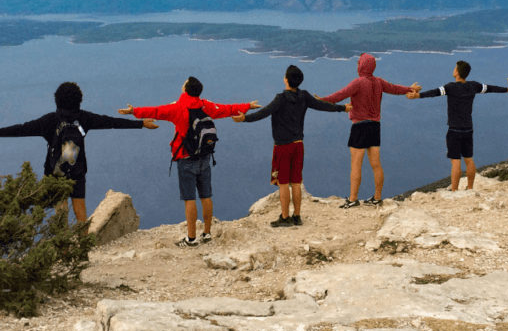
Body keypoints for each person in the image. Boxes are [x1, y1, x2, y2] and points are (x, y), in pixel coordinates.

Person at [118, 77, 259, 247]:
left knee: (189, 199)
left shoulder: (178, 108)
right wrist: (247, 106)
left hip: (185, 159)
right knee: (206, 195)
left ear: (185, 89)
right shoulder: (205, 105)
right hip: (205, 156)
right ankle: (207, 233)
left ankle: (191, 239)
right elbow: (226, 109)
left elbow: (157, 111)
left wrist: (134, 111)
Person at [0, 82, 158, 222]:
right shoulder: (84, 118)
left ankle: (65, 253)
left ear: (58, 99)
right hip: (77, 172)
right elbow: (111, 122)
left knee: (60, 217)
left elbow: (20, 129)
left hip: (55, 174)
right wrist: (141, 123)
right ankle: (83, 252)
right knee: (81, 214)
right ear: (79, 100)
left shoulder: (49, 120)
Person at [233, 65, 352, 227]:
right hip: (298, 145)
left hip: (283, 146)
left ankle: (285, 217)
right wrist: (342, 108)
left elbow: (263, 113)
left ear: (286, 80)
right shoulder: (304, 96)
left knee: (283, 183)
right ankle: (297, 216)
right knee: (296, 182)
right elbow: (322, 105)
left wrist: (244, 118)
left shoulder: (280, 98)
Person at [316, 53, 421, 208]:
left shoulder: (358, 82)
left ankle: (352, 199)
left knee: (356, 164)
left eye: (359, 63)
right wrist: (409, 88)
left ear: (362, 65)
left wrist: (321, 101)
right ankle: (377, 198)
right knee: (376, 164)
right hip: (375, 127)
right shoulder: (379, 82)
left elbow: (340, 95)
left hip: (359, 127)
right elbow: (395, 89)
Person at [407, 60, 508, 191]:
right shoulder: (473, 86)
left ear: (457, 72)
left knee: (455, 161)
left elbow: (435, 92)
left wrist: (417, 96)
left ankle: (454, 190)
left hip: (454, 130)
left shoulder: (450, 87)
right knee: (469, 159)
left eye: (455, 68)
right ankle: (470, 188)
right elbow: (490, 88)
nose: (453, 69)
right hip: (468, 129)